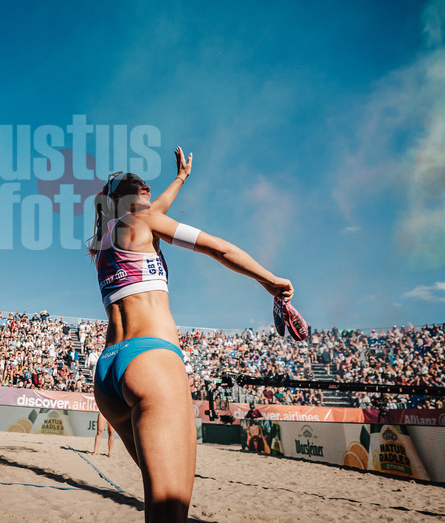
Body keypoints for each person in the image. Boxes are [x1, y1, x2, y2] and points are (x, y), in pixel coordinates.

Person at [88, 146, 294, 522]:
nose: (146, 185)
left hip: (108, 373)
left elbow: (158, 210)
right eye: (138, 184)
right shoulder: (142, 220)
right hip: (150, 361)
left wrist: (181, 178)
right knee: (169, 514)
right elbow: (218, 248)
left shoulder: (104, 242)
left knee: (162, 506)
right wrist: (269, 280)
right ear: (123, 198)